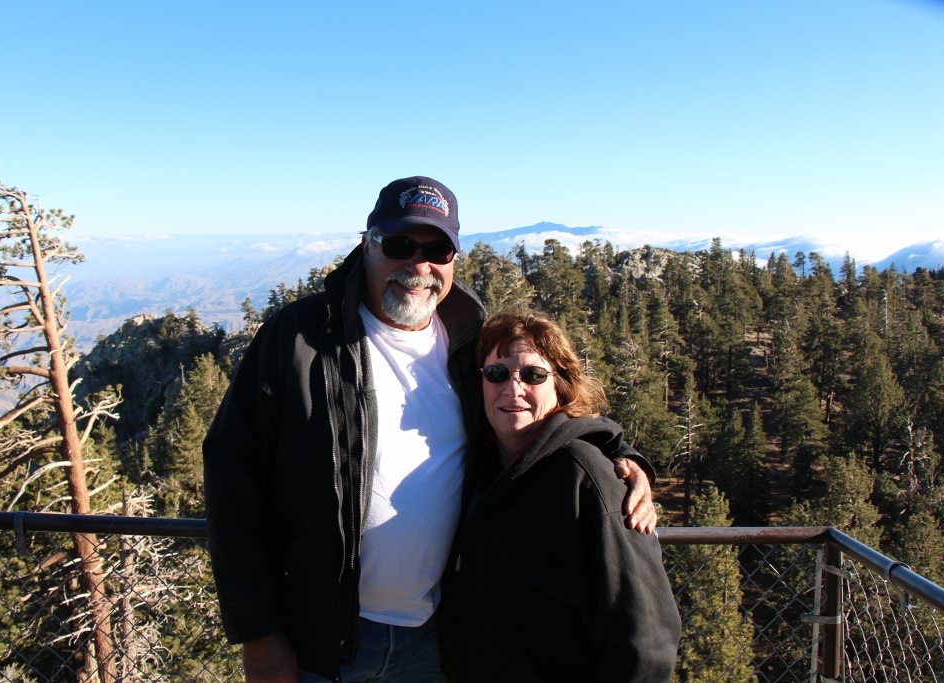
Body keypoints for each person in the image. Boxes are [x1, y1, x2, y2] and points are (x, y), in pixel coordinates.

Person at [203, 176, 658, 683]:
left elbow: (539, 418)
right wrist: (259, 633)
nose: (419, 266)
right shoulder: (302, 337)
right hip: (320, 642)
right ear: (367, 244)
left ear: (454, 259)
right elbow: (233, 475)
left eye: (437, 250)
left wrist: (622, 457)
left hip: (439, 638)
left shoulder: (470, 346)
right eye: (400, 245)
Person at [439, 310, 681, 682]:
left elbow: (644, 634)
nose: (513, 389)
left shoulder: (586, 476)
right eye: (497, 374)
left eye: (533, 375)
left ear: (561, 384)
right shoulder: (473, 466)